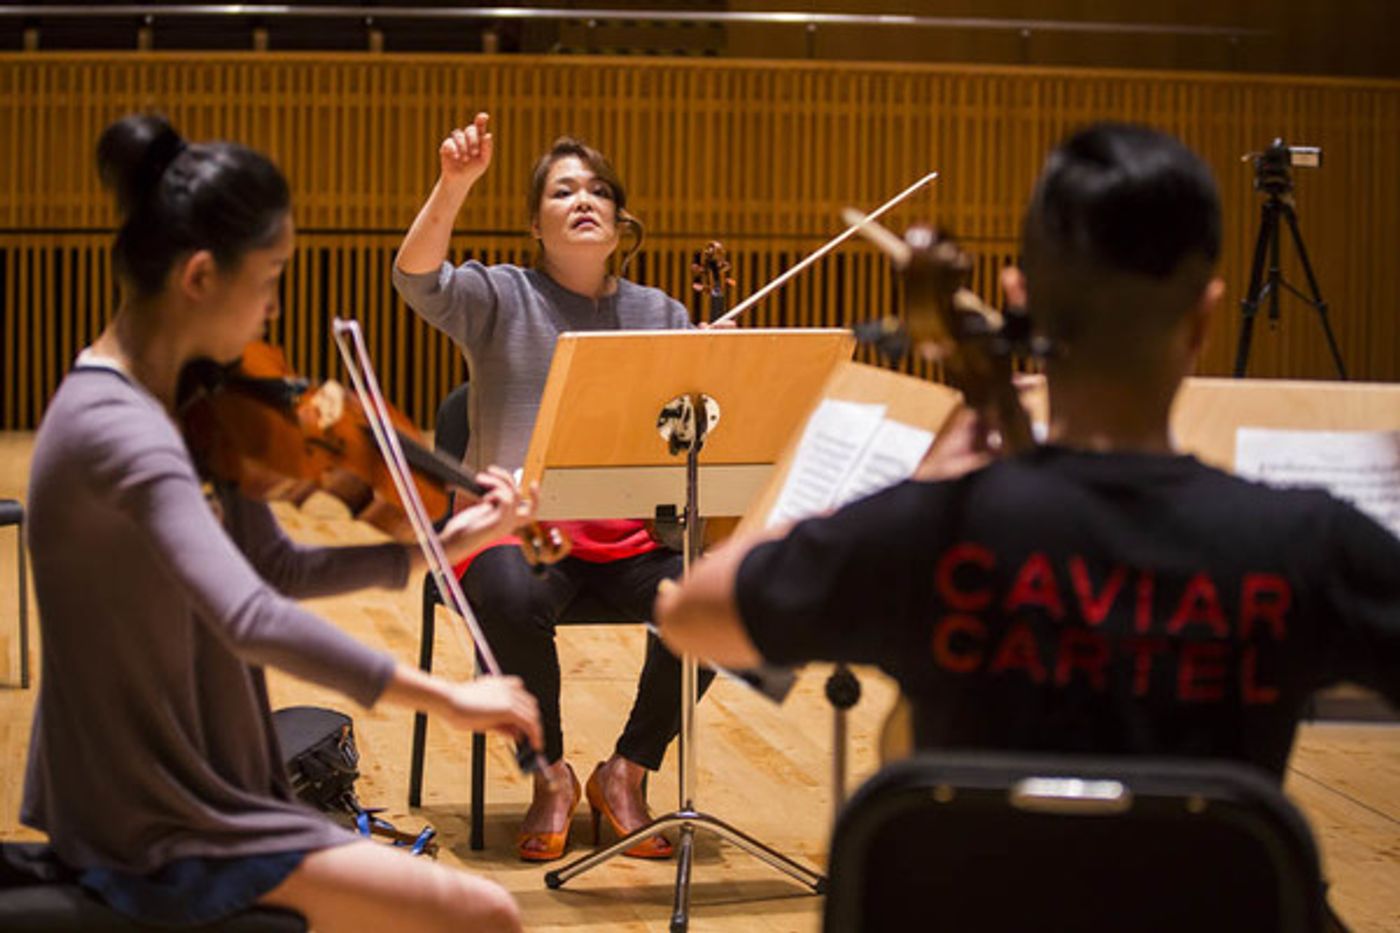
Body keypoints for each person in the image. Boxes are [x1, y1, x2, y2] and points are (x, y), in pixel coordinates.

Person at [656, 123, 1399, 784]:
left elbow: (690, 615)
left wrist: (922, 486)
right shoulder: (1307, 543)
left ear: (1017, 296)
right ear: (1204, 316)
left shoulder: (930, 529)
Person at [21, 112, 545, 933]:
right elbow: (250, 615)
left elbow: (277, 570)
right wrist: (444, 695)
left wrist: (450, 544)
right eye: (268, 281)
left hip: (215, 779)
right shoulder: (119, 430)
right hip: (152, 809)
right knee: (481, 912)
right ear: (199, 277)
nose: (272, 312)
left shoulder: (197, 407)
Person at [393, 113, 715, 861]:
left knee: (718, 596)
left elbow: (690, 439)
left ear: (619, 218)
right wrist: (453, 184)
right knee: (506, 595)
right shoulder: (499, 296)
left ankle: (625, 772)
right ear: (535, 223)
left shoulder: (660, 314)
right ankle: (551, 775)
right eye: (563, 189)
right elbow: (414, 278)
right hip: (523, 533)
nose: (584, 199)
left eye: (599, 190)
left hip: (630, 539)